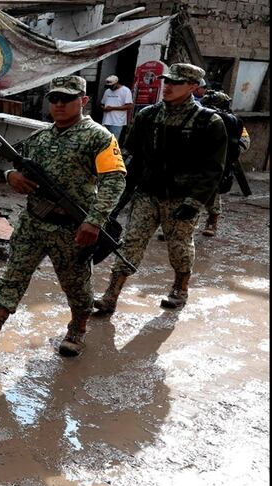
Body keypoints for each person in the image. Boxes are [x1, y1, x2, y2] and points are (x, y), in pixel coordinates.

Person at [0, 76, 127, 358]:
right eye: (54, 99)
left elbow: (115, 180)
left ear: (83, 101)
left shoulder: (99, 137)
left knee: (77, 283)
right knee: (13, 276)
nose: (58, 104)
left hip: (72, 228)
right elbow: (8, 164)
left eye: (66, 99)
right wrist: (11, 176)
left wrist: (94, 220)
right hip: (33, 223)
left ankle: (77, 330)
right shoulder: (39, 138)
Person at [93, 63, 226, 314]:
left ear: (193, 87)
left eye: (176, 82)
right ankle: (111, 294)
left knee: (179, 245)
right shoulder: (148, 116)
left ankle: (180, 287)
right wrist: (120, 195)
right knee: (131, 242)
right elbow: (133, 159)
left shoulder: (208, 122)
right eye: (168, 81)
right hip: (147, 193)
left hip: (181, 197)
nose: (169, 86)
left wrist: (194, 203)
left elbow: (213, 170)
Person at [198, 90, 250, 238]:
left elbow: (245, 143)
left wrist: (226, 151)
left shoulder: (232, 121)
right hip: (197, 159)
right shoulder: (199, 116)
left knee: (212, 190)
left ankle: (212, 220)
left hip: (218, 161)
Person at [100, 75, 133, 140]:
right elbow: (102, 103)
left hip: (117, 122)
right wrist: (103, 108)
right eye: (108, 86)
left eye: (112, 86)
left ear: (116, 83)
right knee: (104, 142)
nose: (110, 88)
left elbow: (130, 106)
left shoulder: (125, 90)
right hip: (106, 120)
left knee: (113, 142)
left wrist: (113, 108)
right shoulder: (107, 91)